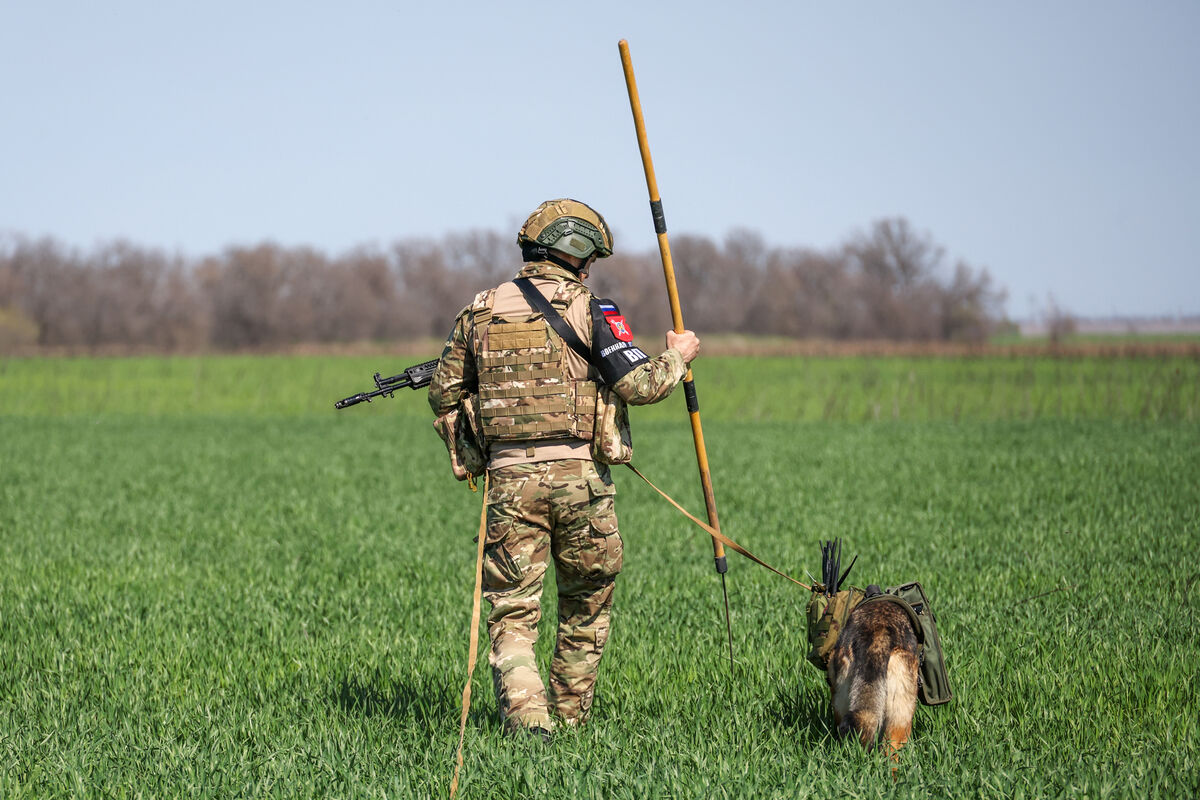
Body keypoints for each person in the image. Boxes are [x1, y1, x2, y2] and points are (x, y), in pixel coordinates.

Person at [428, 198, 700, 738]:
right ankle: (570, 722)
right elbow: (639, 385)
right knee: (586, 607)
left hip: (509, 485)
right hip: (583, 484)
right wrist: (678, 356)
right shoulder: (593, 309)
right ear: (577, 254)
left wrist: (477, 448)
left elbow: (443, 392)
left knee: (512, 614)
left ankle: (529, 718)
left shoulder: (479, 310)